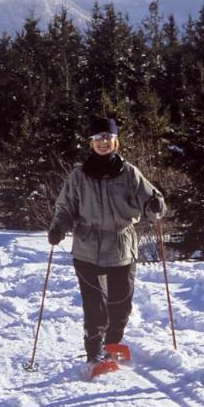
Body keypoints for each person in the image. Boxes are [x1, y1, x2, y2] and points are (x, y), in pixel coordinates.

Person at [48, 115, 166, 365]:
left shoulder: (129, 173)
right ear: (90, 143)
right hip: (87, 247)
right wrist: (58, 227)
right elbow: (65, 207)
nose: (103, 142)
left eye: (108, 137)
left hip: (121, 245)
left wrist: (155, 206)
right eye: (98, 138)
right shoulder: (79, 175)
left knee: (121, 305)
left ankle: (112, 344)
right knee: (95, 307)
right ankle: (94, 353)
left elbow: (154, 201)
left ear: (116, 141)